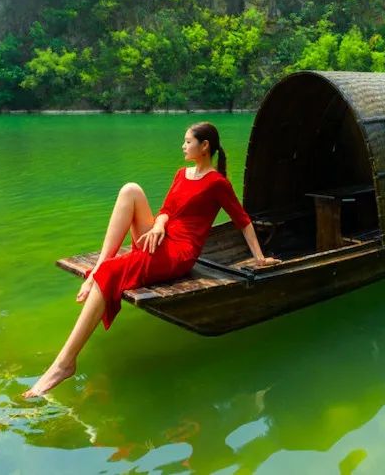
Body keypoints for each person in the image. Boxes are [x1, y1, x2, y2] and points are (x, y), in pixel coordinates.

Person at [24, 122, 277, 397]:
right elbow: (167, 209)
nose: (183, 146)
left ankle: (64, 363)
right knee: (130, 190)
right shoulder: (182, 174)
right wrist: (158, 225)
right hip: (160, 236)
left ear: (204, 147)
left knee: (111, 272)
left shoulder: (217, 183)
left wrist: (260, 258)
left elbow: (242, 221)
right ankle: (96, 270)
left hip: (179, 252)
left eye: (188, 141)